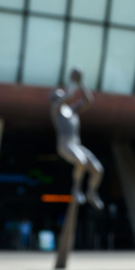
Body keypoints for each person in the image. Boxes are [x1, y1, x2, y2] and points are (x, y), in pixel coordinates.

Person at [50, 67, 104, 210]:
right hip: (65, 145)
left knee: (98, 169)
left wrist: (81, 84)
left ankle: (91, 193)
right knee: (81, 161)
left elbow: (88, 100)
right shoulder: (55, 110)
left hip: (76, 144)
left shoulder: (71, 111)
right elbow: (68, 96)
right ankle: (76, 190)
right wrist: (73, 82)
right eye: (60, 96)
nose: (63, 97)